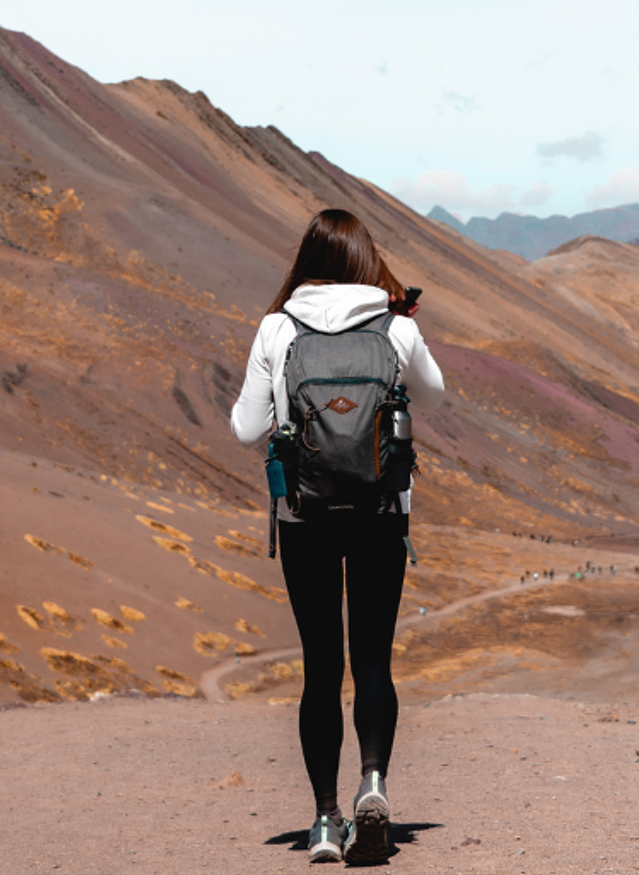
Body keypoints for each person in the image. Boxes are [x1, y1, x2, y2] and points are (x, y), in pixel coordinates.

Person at [230, 208, 445, 864]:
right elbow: (434, 396)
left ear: (306, 263)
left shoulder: (276, 327)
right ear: (365, 263)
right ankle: (373, 784)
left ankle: (324, 820)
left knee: (320, 667)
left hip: (305, 516)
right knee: (373, 659)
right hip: (382, 513)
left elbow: (244, 428)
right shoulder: (396, 327)